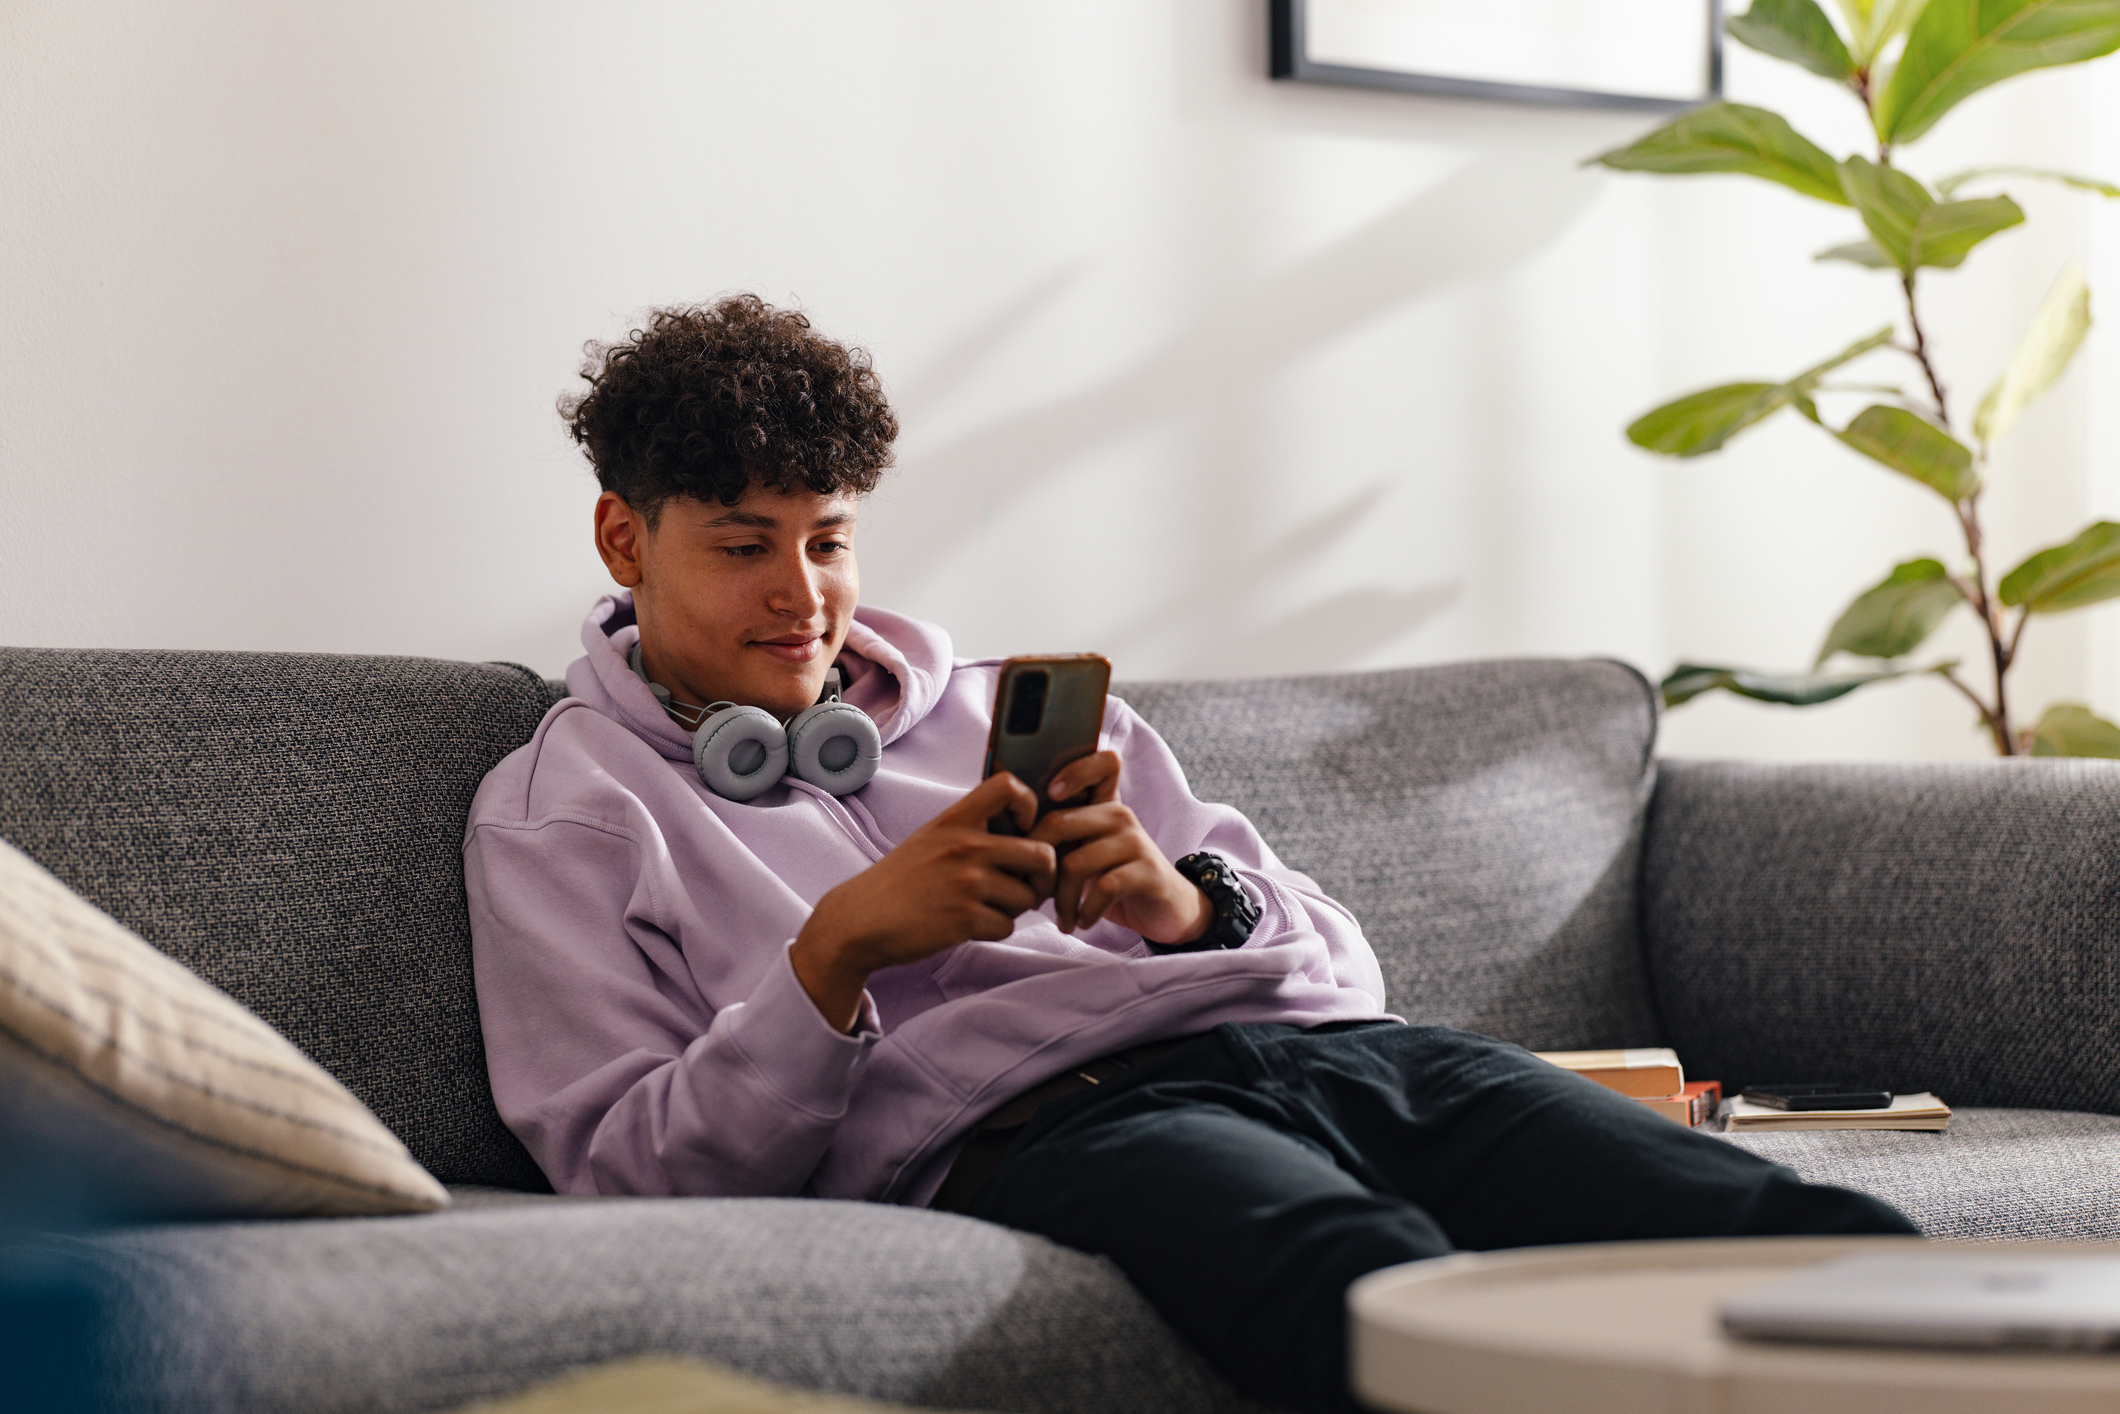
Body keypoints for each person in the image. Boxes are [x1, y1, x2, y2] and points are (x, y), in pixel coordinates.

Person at [466, 294, 1917, 1414]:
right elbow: (628, 1171)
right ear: (622, 538)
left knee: (1806, 1236)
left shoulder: (989, 708)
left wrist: (1177, 902)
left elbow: (1344, 964)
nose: (805, 597)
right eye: (742, 545)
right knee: (1391, 1296)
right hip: (1062, 1126)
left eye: (830, 543)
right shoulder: (564, 813)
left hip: (1347, 1057)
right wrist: (835, 954)